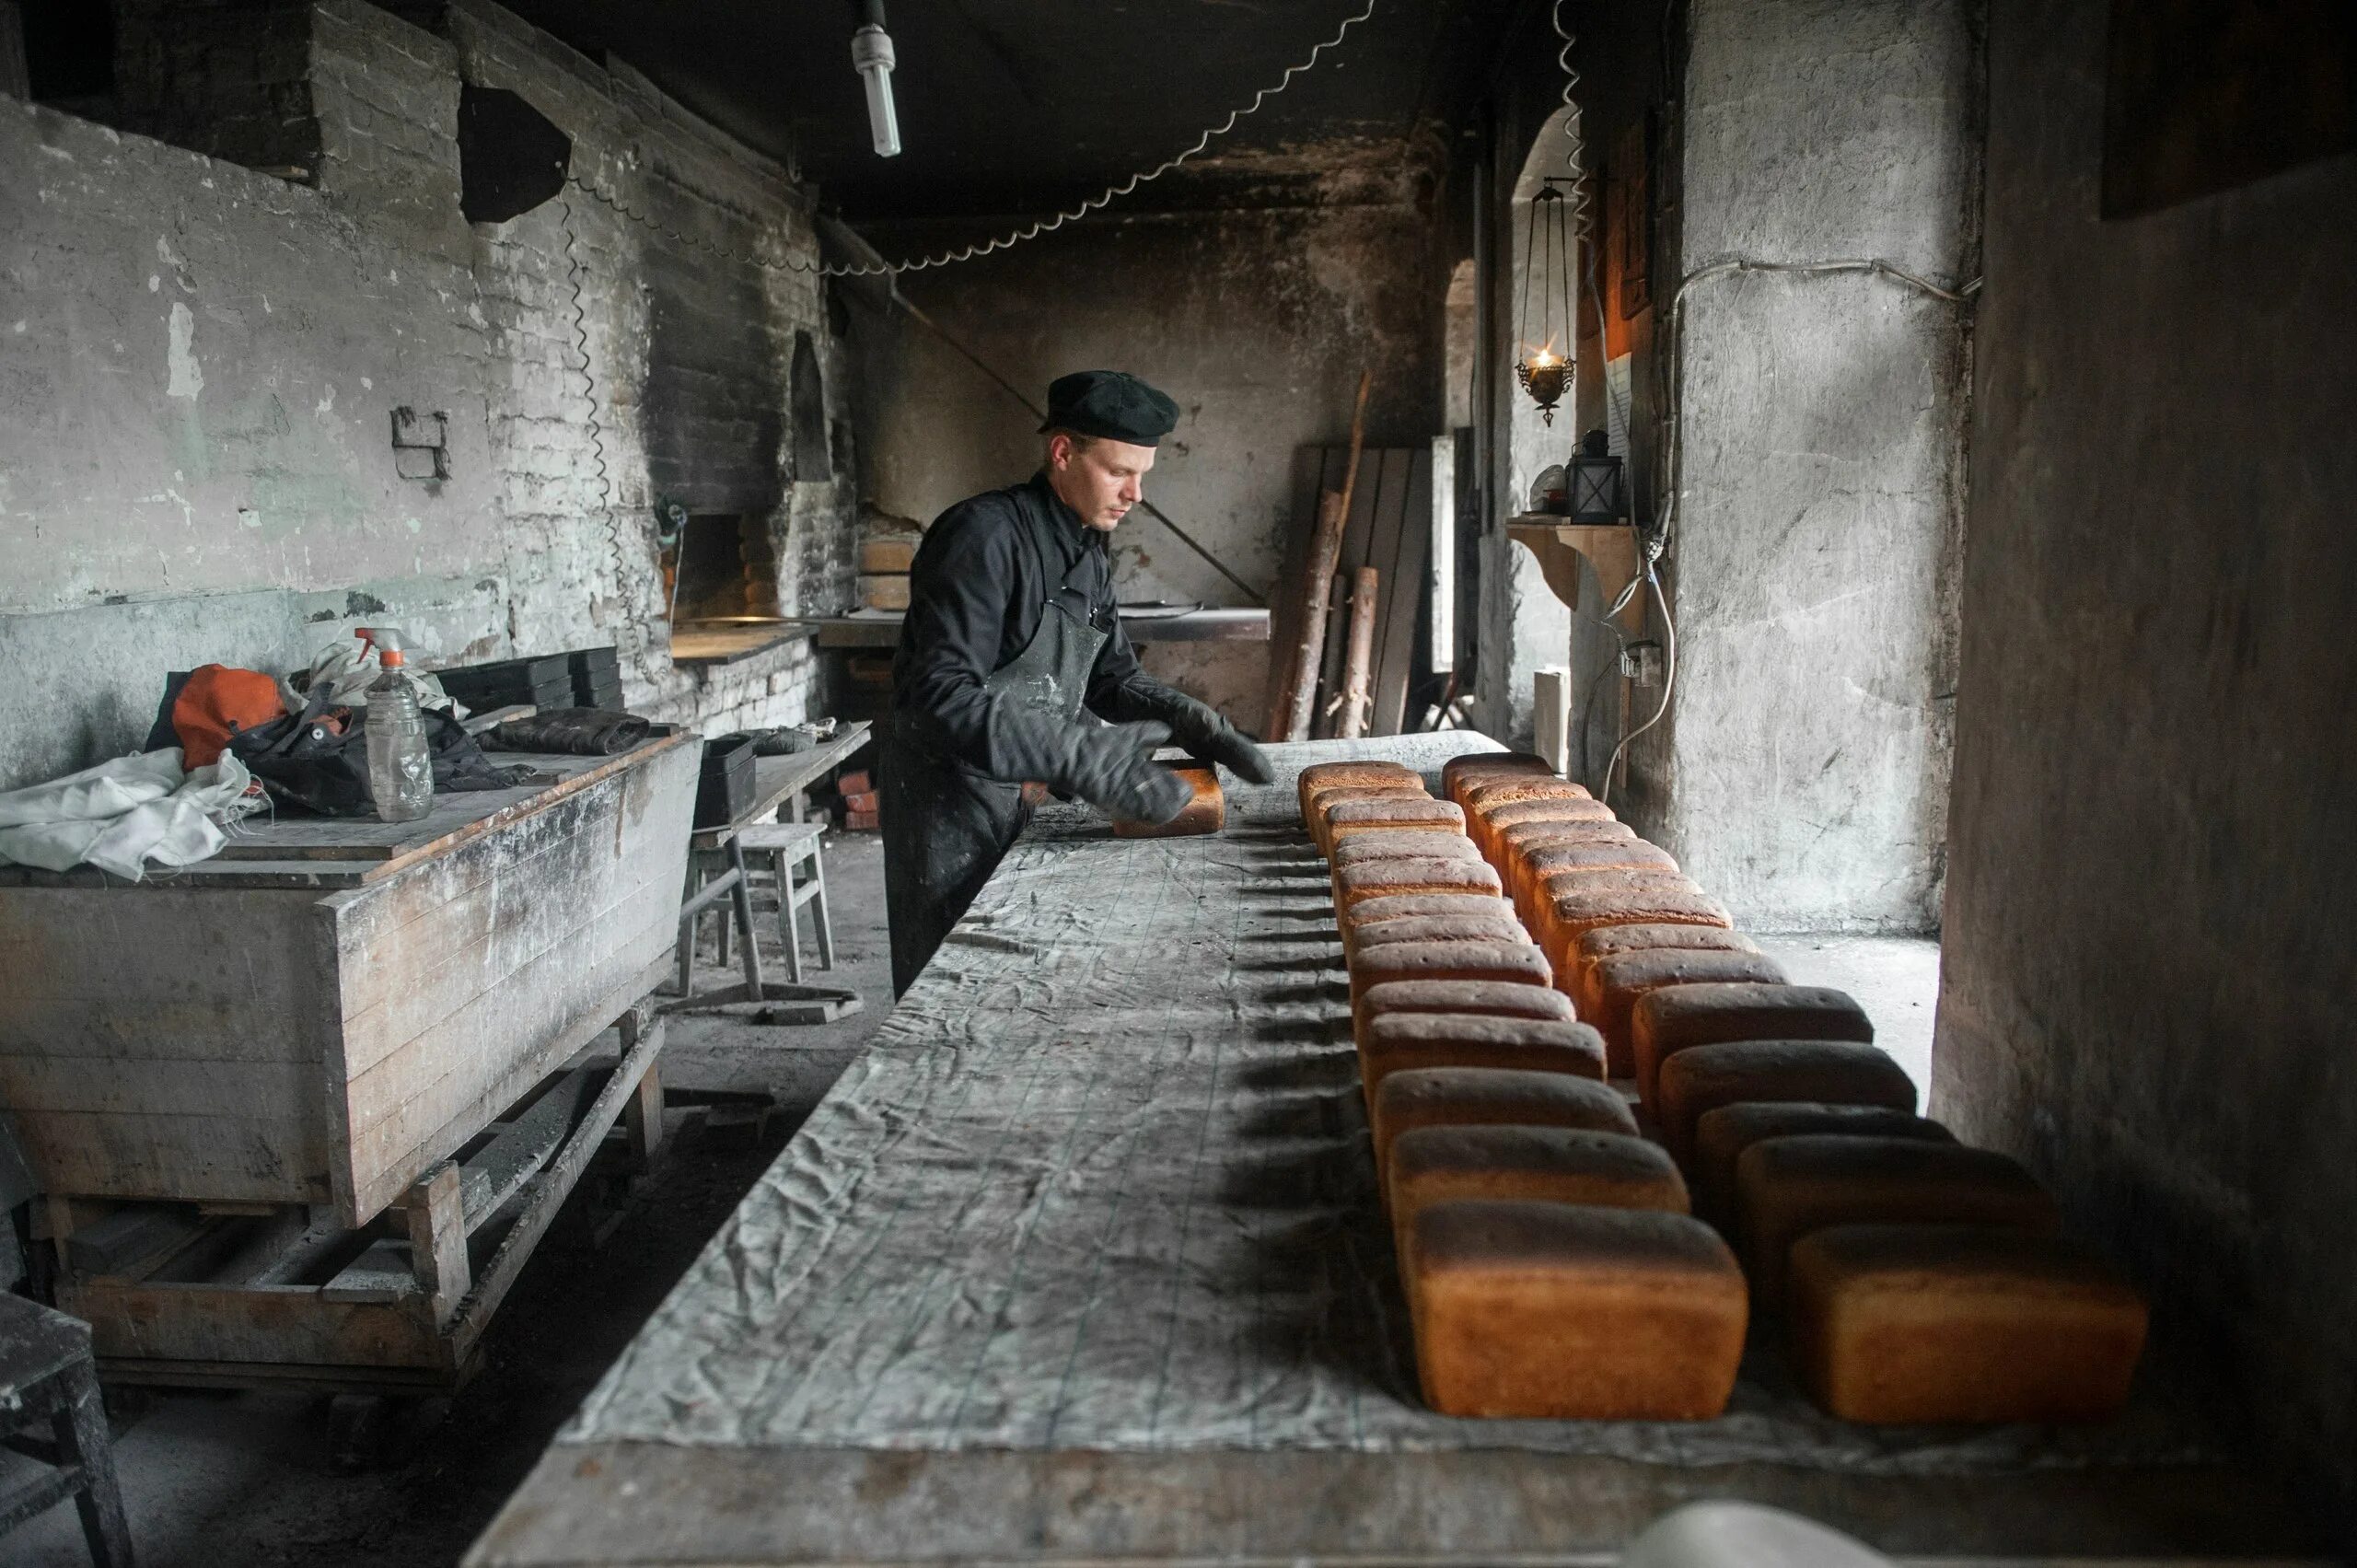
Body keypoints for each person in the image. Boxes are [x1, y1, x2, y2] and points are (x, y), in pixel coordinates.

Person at [878, 370, 1275, 993]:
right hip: (945, 805)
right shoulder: (982, 538)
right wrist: (1077, 755)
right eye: (1119, 472)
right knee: (947, 992)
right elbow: (936, 695)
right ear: (1062, 452)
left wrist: (1193, 718)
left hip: (1015, 796)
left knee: (1012, 981)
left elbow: (1113, 677)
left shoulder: (1087, 552)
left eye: (1143, 474)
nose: (1135, 494)